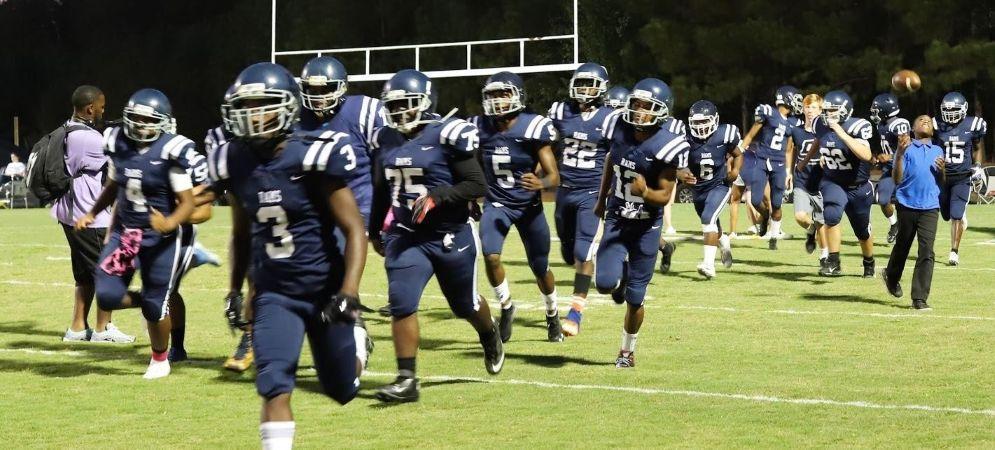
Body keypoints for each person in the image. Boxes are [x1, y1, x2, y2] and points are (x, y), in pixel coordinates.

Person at [210, 62, 369, 448]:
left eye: (262, 106)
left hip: (323, 290)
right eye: (246, 107)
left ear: (287, 107)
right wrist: (235, 290)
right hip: (274, 293)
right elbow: (241, 234)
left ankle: (358, 341)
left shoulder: (313, 154)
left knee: (342, 389)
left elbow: (354, 230)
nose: (253, 115)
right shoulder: (234, 159)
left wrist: (348, 293)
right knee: (273, 386)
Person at [369, 69, 503, 403]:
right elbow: (381, 190)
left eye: (406, 104)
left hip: (449, 234)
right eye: (393, 105)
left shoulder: (448, 134)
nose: (399, 112)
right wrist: (375, 229)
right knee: (402, 301)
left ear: (426, 103)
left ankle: (489, 333)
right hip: (406, 235)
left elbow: (477, 185)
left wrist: (438, 196)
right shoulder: (384, 138)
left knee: (464, 305)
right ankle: (406, 379)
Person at [76, 88, 201, 378]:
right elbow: (113, 185)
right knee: (107, 295)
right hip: (127, 236)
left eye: (149, 120)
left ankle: (160, 358)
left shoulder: (171, 151)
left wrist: (170, 223)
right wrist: (93, 212)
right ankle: (152, 299)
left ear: (162, 123)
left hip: (160, 238)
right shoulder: (118, 144)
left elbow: (188, 202)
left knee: (156, 307)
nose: (141, 125)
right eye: (137, 118)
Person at [593, 78, 689, 368]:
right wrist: (602, 198)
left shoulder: (667, 144)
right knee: (605, 284)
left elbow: (665, 195)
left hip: (647, 227)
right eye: (635, 104)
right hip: (617, 219)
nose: (638, 110)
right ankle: (620, 277)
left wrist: (646, 192)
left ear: (661, 111)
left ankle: (626, 352)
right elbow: (611, 159)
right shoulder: (617, 126)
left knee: (635, 298)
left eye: (646, 106)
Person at [472, 71, 561, 342]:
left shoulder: (532, 127)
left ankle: (552, 313)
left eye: (503, 94)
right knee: (491, 256)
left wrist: (540, 182)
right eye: (493, 95)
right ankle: (507, 305)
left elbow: (554, 177)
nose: (498, 100)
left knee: (540, 267)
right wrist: (470, 197)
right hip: (497, 204)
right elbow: (469, 165)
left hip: (528, 207)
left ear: (517, 96)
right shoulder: (479, 126)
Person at [53, 85, 134, 343]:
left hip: (70, 211)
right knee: (108, 271)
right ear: (90, 108)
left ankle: (77, 328)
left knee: (85, 275)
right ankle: (103, 328)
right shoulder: (89, 139)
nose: (103, 111)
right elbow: (123, 161)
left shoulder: (69, 129)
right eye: (101, 107)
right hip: (89, 214)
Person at [547, 62, 615, 337]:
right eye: (581, 83)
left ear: (602, 88)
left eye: (591, 84)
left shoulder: (610, 118)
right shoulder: (560, 111)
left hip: (591, 192)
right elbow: (544, 145)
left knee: (583, 251)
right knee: (568, 252)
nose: (585, 90)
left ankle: (575, 312)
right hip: (564, 191)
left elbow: (618, 155)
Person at [882, 115, 945, 310]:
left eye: (928, 121)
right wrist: (899, 155)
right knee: (903, 246)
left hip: (930, 207)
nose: (925, 121)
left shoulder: (938, 150)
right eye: (921, 120)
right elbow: (897, 179)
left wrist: (943, 170)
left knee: (927, 251)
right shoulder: (906, 148)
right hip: (907, 204)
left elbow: (941, 181)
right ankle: (891, 277)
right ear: (913, 129)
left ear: (932, 130)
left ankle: (919, 298)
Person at [814, 90, 876, 277]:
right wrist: (821, 156)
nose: (828, 114)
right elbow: (820, 142)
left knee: (862, 231)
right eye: (826, 110)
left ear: (845, 110)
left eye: (832, 110)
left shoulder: (857, 126)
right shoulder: (820, 125)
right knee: (831, 215)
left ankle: (869, 262)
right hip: (833, 181)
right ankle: (834, 262)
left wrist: (841, 133)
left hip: (859, 186)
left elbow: (866, 155)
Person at [685, 100, 741, 279]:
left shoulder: (724, 134)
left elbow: (738, 154)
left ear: (714, 120)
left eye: (704, 121)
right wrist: (682, 173)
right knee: (711, 224)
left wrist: (735, 171)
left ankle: (709, 265)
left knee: (708, 218)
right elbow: (677, 160)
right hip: (698, 189)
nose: (701, 126)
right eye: (697, 122)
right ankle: (723, 241)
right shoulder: (686, 138)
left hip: (719, 185)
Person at [740, 86, 801, 249]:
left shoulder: (792, 123)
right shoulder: (769, 113)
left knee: (777, 203)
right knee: (755, 200)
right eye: (796, 99)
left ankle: (773, 237)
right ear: (787, 99)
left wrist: (788, 172)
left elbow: (789, 149)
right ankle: (765, 215)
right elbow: (751, 134)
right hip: (761, 160)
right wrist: (739, 151)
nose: (798, 103)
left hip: (779, 164)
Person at [932, 92, 987, 266]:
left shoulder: (973, 124)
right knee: (946, 215)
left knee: (956, 214)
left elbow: (977, 147)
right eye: (947, 110)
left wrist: (977, 165)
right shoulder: (937, 125)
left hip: (962, 177)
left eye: (954, 110)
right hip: (942, 177)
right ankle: (959, 218)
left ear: (963, 109)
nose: (950, 114)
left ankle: (954, 252)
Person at [789, 94, 829, 266]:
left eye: (814, 107)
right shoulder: (796, 131)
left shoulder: (826, 130)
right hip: (802, 180)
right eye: (807, 107)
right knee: (800, 216)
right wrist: (789, 172)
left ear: (820, 110)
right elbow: (791, 150)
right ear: (803, 109)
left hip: (821, 181)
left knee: (821, 220)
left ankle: (824, 255)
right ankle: (811, 230)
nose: (810, 111)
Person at [869, 93, 908, 245]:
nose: (874, 113)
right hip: (889, 170)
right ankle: (894, 224)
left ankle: (908, 232)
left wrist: (890, 157)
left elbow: (908, 149)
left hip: (904, 169)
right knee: (882, 199)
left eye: (877, 110)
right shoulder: (881, 124)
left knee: (904, 203)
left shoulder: (899, 124)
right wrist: (878, 157)